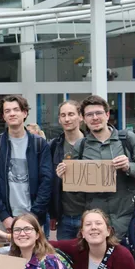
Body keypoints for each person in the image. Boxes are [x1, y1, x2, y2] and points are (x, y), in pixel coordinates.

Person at [55, 95, 135, 239]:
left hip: (127, 221)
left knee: (126, 255)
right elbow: (77, 191)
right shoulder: (81, 145)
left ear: (107, 115)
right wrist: (66, 177)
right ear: (83, 118)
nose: (95, 118)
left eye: (99, 113)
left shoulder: (127, 139)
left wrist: (129, 167)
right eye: (89, 114)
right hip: (97, 224)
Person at [0, 95, 53, 234]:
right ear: (3, 116)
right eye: (7, 111)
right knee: (5, 249)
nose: (12, 113)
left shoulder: (39, 144)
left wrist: (34, 215)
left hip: (34, 217)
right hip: (5, 219)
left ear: (25, 113)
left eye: (16, 109)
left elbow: (46, 181)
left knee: (34, 249)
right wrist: (4, 216)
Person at [48, 100, 87, 240]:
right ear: (59, 119)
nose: (67, 119)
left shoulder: (92, 144)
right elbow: (49, 182)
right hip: (64, 217)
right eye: (63, 115)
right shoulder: (54, 146)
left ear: (80, 117)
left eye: (71, 114)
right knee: (64, 253)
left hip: (89, 216)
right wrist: (53, 213)